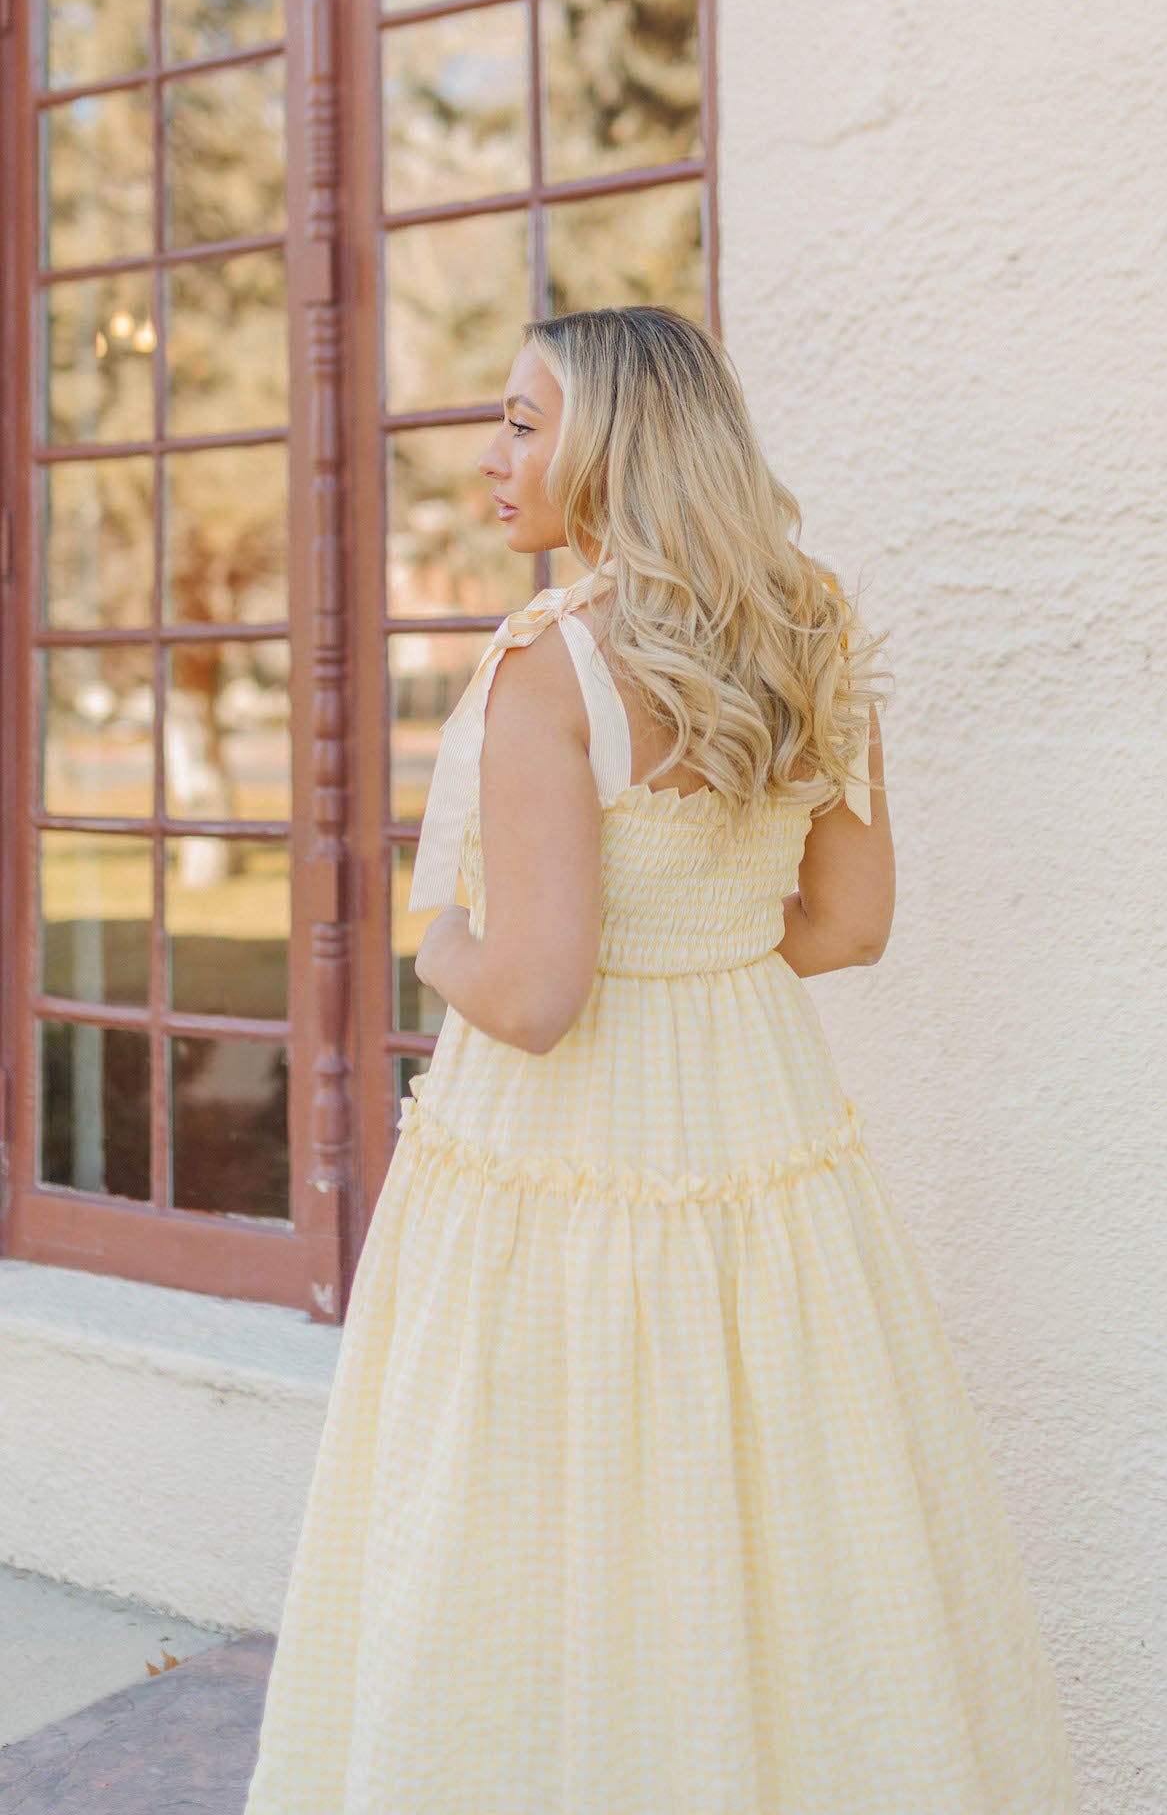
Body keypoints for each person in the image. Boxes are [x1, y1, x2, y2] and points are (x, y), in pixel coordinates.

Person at [243, 306, 1077, 1813]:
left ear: (614, 442)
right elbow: (848, 922)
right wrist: (708, 965)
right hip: (757, 1102)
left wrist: (428, 940)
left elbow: (536, 990)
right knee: (769, 1489)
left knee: (544, 1500)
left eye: (518, 420)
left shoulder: (548, 668)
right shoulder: (806, 621)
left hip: (563, 1135)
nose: (487, 455)